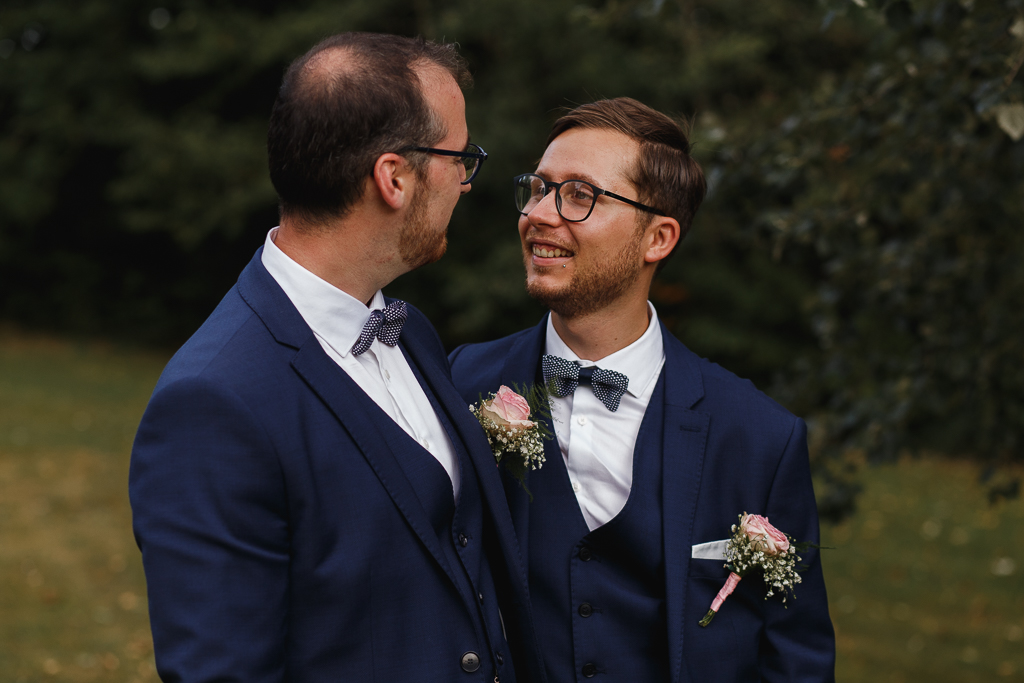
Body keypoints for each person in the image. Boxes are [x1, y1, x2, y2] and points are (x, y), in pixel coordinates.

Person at [129, 33, 544, 683]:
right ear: (395, 178)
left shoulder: (414, 334)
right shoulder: (213, 402)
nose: (466, 182)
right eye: (460, 158)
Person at [449, 97, 836, 682]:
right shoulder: (459, 385)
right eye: (537, 188)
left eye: (580, 194)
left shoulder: (759, 438)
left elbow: (795, 661)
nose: (539, 214)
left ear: (658, 238)